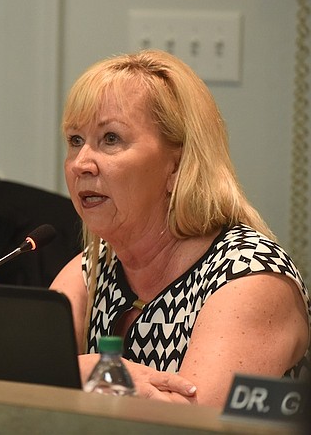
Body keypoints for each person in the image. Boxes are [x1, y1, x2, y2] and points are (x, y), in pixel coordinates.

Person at [50, 49, 310, 407]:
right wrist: (85, 371)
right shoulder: (89, 271)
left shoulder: (249, 279)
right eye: (75, 140)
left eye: (111, 139)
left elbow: (192, 422)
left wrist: (85, 373)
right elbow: (13, 383)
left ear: (178, 165)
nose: (81, 164)